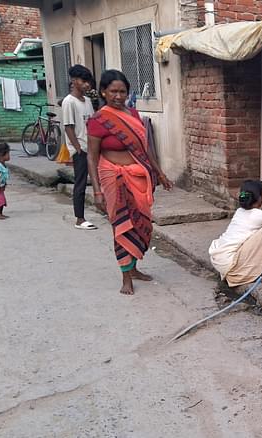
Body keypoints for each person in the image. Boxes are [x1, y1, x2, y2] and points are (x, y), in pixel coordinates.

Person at [87, 69, 173, 295]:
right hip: (113, 177)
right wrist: (97, 191)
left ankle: (133, 267)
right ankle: (126, 277)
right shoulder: (98, 120)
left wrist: (160, 173)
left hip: (138, 176)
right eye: (113, 91)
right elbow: (92, 156)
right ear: (103, 92)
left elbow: (145, 149)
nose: (118, 96)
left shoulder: (134, 115)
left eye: (122, 91)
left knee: (141, 223)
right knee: (122, 225)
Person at [209, 180, 262, 287]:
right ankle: (244, 275)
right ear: (260, 198)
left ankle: (233, 271)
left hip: (218, 259)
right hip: (229, 263)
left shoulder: (239, 211)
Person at [62, 64, 96, 230]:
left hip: (92, 147)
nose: (87, 84)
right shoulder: (69, 102)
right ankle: (79, 218)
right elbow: (68, 126)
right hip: (80, 149)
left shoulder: (88, 101)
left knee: (99, 179)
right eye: (84, 81)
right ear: (75, 81)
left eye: (88, 81)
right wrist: (78, 147)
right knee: (81, 183)